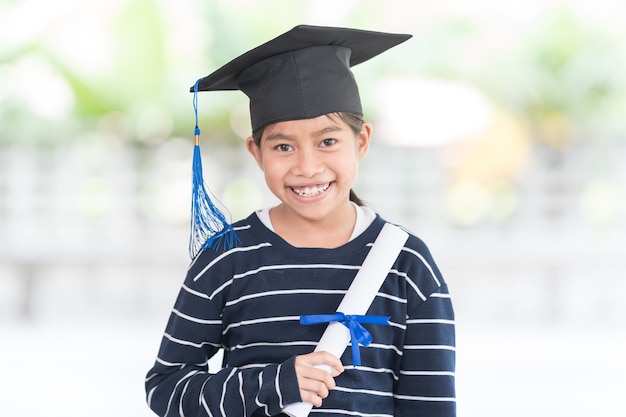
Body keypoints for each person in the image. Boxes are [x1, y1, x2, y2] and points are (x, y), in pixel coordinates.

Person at [145, 25, 456, 417]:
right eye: (283, 146)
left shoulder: (407, 263)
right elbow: (167, 389)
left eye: (328, 141)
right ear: (256, 152)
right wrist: (275, 383)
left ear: (361, 142)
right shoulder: (228, 257)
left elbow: (431, 405)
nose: (307, 167)